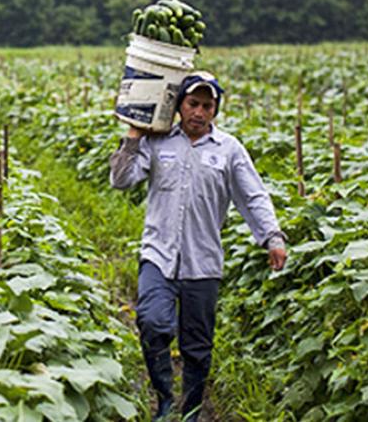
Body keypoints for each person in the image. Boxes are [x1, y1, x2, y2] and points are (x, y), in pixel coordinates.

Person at [109, 71, 287, 421]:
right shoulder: (158, 142)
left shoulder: (229, 150)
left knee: (197, 347)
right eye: (193, 103)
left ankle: (190, 410)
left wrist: (273, 237)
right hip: (158, 256)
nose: (199, 112)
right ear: (178, 106)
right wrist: (134, 134)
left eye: (207, 106)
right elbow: (121, 180)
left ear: (215, 110)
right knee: (152, 322)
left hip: (202, 262)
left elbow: (253, 197)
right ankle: (163, 398)